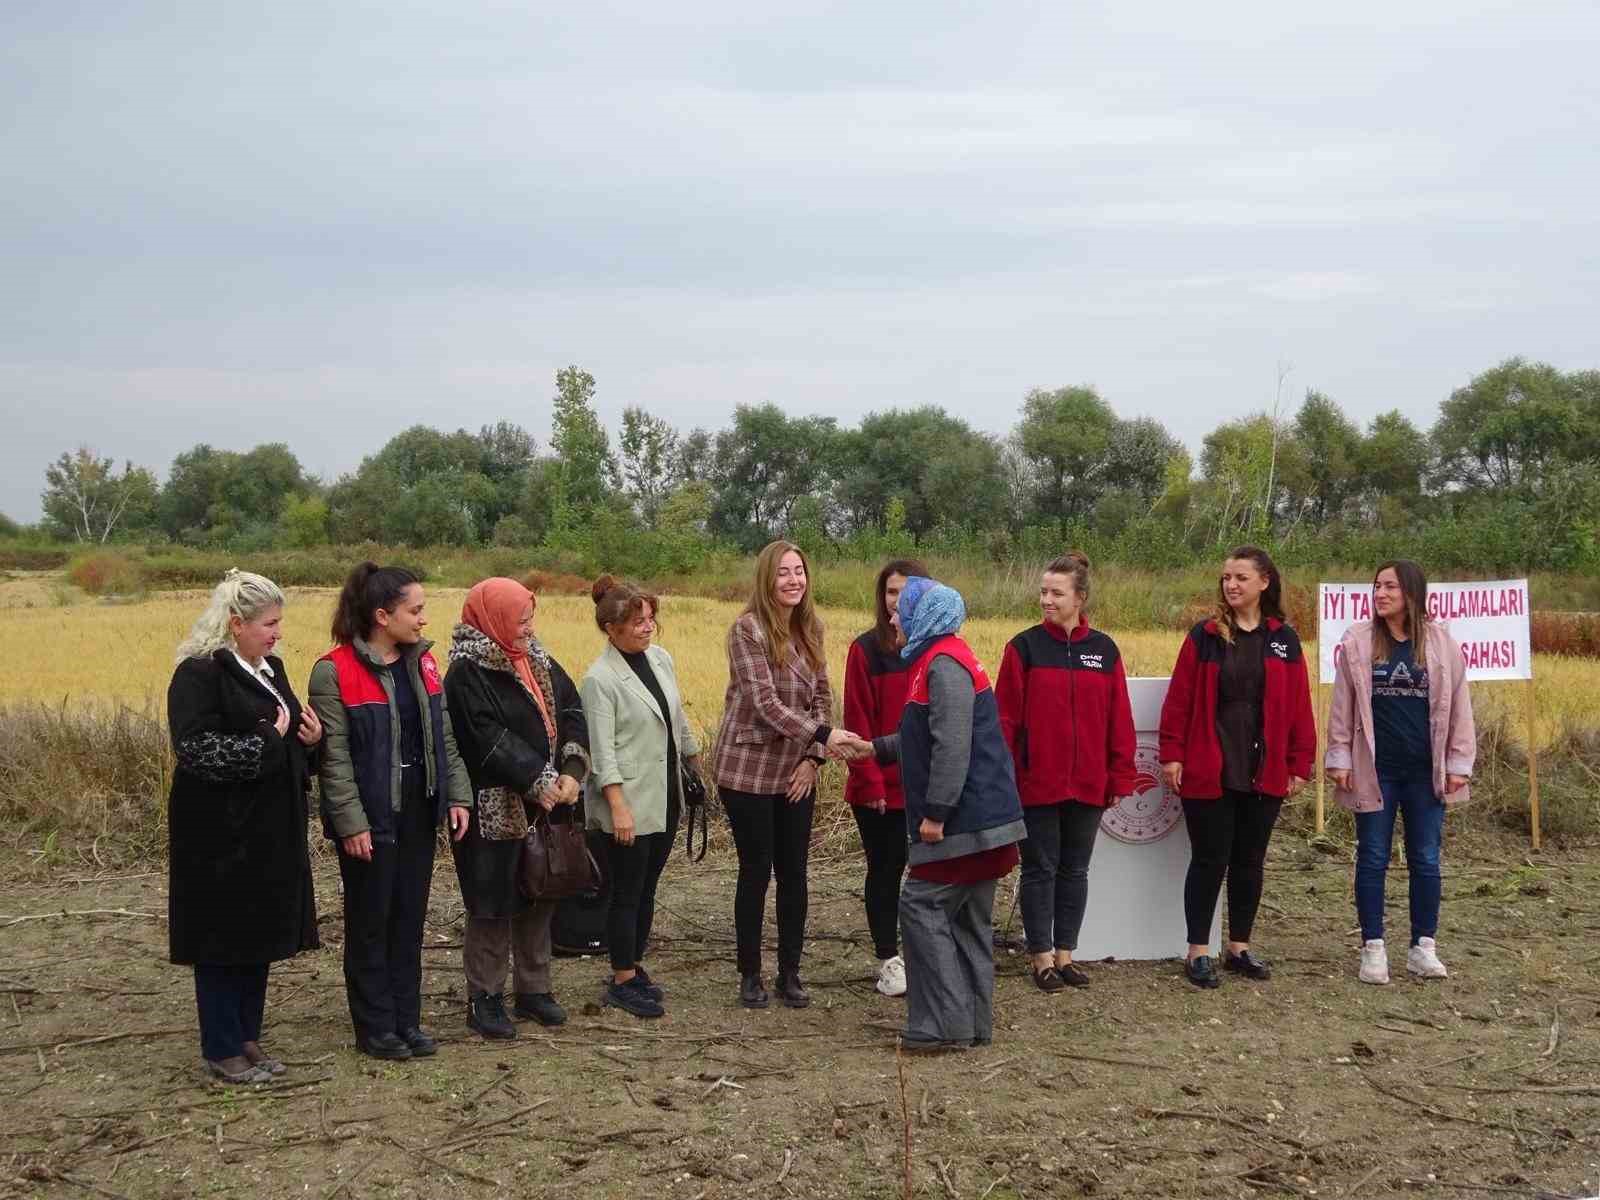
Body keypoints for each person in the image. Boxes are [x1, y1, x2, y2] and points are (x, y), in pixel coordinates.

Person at [309, 563, 472, 1061]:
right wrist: (351, 822)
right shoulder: (333, 670)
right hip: (370, 820)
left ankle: (407, 1019)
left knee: (409, 919)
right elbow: (333, 759)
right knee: (371, 923)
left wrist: (456, 795)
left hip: (417, 815)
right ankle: (375, 1026)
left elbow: (444, 737)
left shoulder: (423, 665)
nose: (424, 619)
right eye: (415, 610)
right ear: (383, 615)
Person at [167, 571, 321, 1083]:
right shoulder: (197, 675)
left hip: (269, 830)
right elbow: (197, 750)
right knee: (220, 938)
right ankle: (220, 1046)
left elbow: (286, 742)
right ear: (236, 624)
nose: (278, 634)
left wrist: (309, 739)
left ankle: (247, 1037)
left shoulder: (270, 670)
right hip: (217, 836)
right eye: (269, 624)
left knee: (257, 932)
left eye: (279, 623)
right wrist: (268, 739)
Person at [866, 577, 1026, 1051]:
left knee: (920, 907)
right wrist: (871, 750)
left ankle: (940, 1027)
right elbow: (927, 738)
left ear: (922, 615)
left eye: (901, 608)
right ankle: (973, 1025)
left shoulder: (943, 664)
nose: (892, 616)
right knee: (969, 921)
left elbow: (953, 746)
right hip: (984, 820)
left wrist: (935, 814)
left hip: (964, 823)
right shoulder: (944, 659)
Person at [712, 540, 862, 1010]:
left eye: (799, 571)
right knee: (756, 870)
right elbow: (764, 704)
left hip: (796, 769)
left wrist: (814, 758)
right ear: (766, 579)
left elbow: (821, 694)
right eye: (784, 572)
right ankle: (750, 974)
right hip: (748, 769)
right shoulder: (747, 630)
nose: (794, 580)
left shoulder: (811, 627)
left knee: (794, 872)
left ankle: (790, 973)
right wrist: (825, 734)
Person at [1157, 546, 1315, 989]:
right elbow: (1179, 700)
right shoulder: (1205, 636)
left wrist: (1300, 761)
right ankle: (1198, 951)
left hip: (1263, 769)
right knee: (1209, 860)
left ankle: (1239, 947)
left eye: (1241, 577)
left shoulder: (1284, 639)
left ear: (1265, 582)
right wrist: (1172, 753)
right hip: (1211, 763)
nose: (1231, 585)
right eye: (1226, 577)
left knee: (1250, 860)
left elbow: (1300, 705)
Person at [445, 578, 590, 1038]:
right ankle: (484, 998)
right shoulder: (467, 673)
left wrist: (570, 768)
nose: (529, 626)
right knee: (492, 904)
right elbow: (485, 737)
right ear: (495, 618)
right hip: (495, 808)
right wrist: (537, 779)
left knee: (539, 893)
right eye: (521, 619)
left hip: (548, 806)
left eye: (531, 617)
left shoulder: (538, 659)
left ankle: (534, 989)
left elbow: (571, 711)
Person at [1326, 560, 1475, 985]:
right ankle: (1373, 947)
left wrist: (1459, 762)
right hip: (1375, 772)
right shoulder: (1358, 642)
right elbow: (1342, 707)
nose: (1380, 593)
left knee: (1426, 858)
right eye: (1376, 586)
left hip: (1425, 774)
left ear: (1411, 593)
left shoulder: (1442, 645)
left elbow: (1460, 706)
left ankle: (1422, 947)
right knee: (1372, 857)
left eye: (1390, 586)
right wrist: (1339, 757)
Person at [995, 552, 1136, 992]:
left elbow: (1119, 718)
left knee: (1075, 870)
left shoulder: (1104, 650)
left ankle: (1066, 955)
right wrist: (1008, 778)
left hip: (1090, 783)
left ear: (1081, 598)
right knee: (1039, 869)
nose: (1047, 600)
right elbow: (1005, 721)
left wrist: (1120, 775)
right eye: (1043, 591)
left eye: (1057, 592)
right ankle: (1040, 957)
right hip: (1038, 782)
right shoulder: (1024, 648)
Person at [580, 575, 703, 1019]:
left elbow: (677, 717)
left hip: (664, 795)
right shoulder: (599, 680)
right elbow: (602, 751)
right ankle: (621, 979)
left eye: (650, 619)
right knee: (626, 891)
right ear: (611, 629)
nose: (647, 627)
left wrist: (693, 760)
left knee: (647, 885)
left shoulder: (661, 660)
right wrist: (617, 807)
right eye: (637, 622)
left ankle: (632, 962)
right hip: (627, 802)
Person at [842, 557, 927, 998]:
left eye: (908, 592)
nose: (899, 601)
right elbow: (857, 720)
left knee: (927, 871)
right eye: (892, 592)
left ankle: (922, 953)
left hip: (924, 787)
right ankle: (887, 958)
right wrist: (871, 780)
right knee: (886, 868)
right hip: (878, 788)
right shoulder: (866, 650)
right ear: (882, 597)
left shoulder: (931, 649)